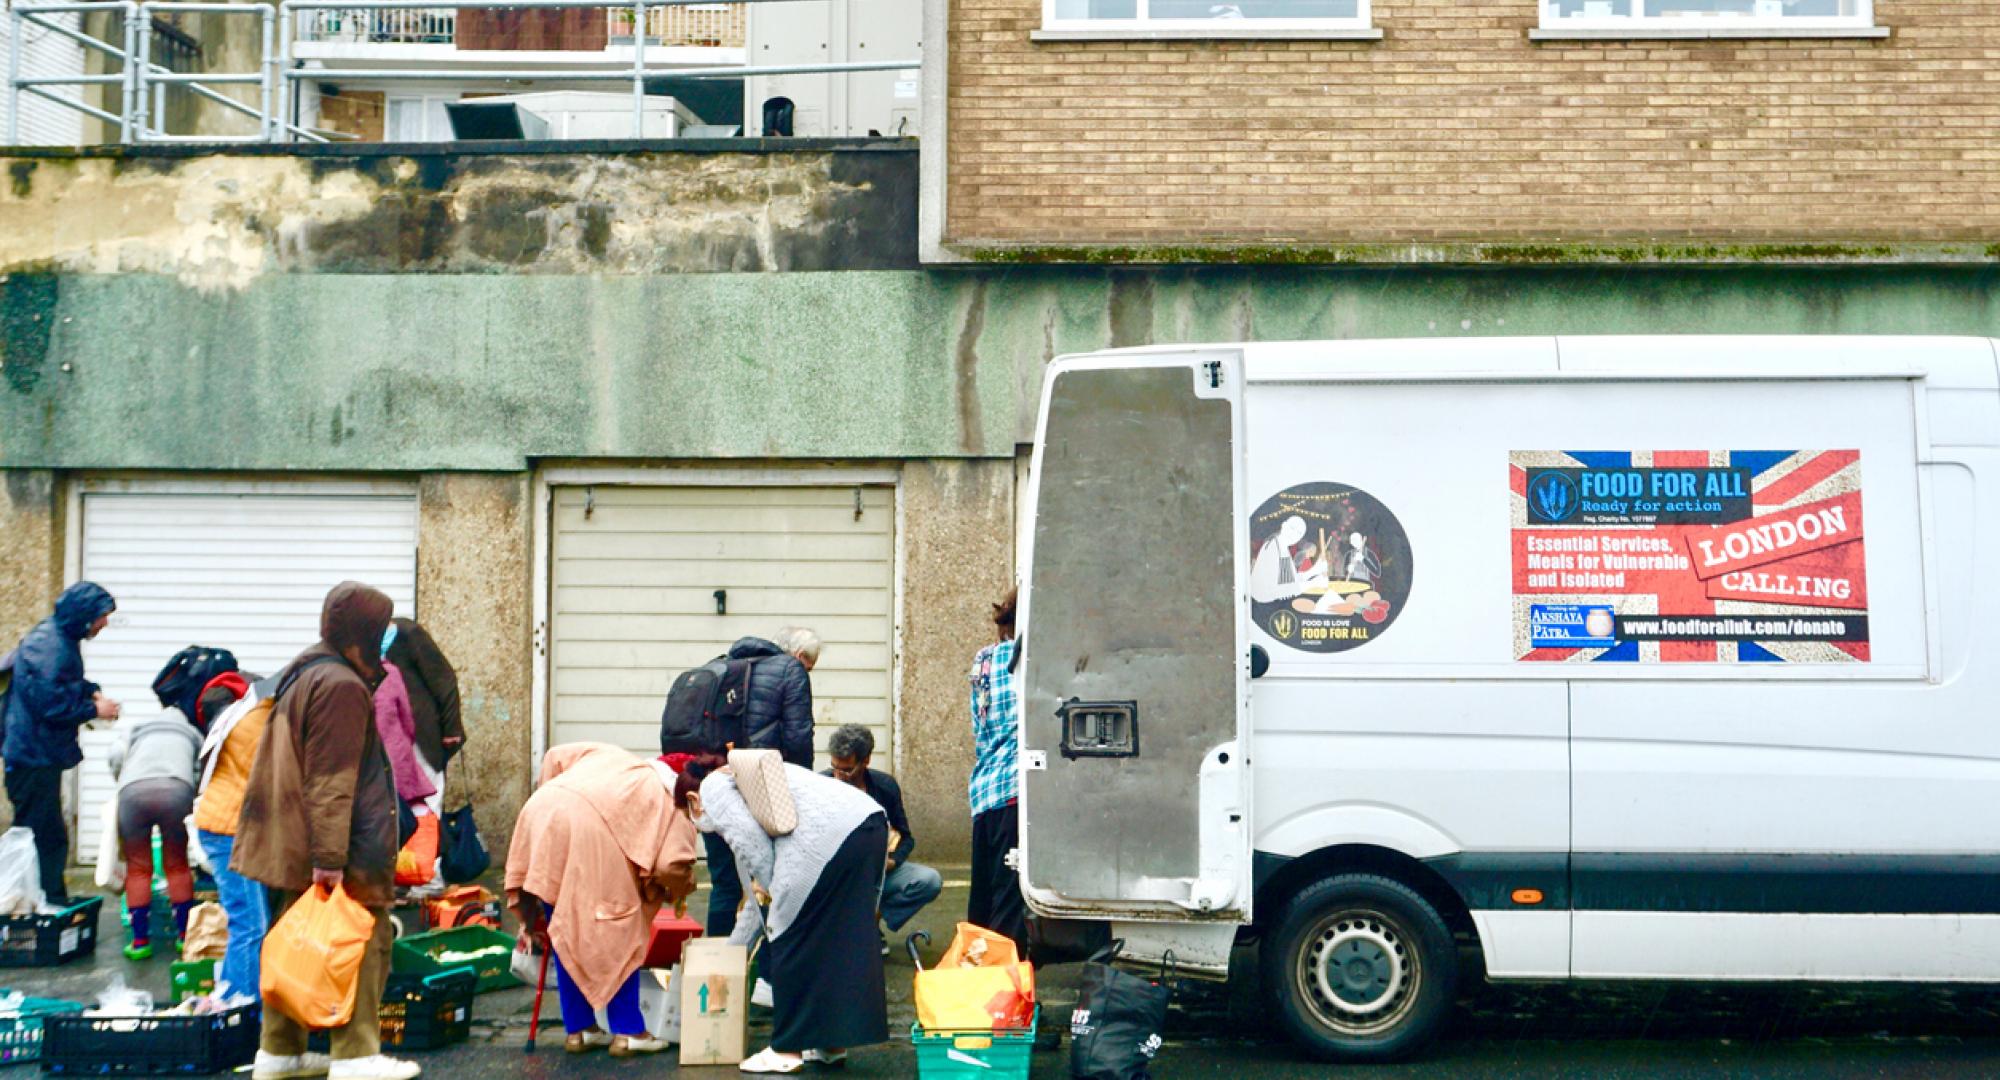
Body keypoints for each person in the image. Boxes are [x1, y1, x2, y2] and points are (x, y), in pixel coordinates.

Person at [233, 582, 418, 1080]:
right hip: (338, 849)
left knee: (296, 945)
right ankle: (356, 1057)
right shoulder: (341, 686)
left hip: (288, 841)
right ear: (366, 632)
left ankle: (281, 1054)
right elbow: (332, 782)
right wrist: (331, 859)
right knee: (357, 942)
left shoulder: (306, 671)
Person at [683, 750, 888, 1075]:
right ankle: (830, 1043)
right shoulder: (743, 780)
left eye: (689, 819)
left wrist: (777, 909)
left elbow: (758, 858)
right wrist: (731, 955)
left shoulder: (713, 789)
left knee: (789, 935)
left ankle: (785, 1049)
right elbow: (756, 898)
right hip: (869, 825)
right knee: (833, 937)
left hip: (826, 838)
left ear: (693, 800)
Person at [505, 744, 699, 1057]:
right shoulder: (674, 801)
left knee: (566, 927)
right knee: (618, 931)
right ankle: (629, 1031)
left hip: (540, 815)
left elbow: (554, 755)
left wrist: (556, 797)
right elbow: (670, 865)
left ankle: (580, 1029)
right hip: (587, 836)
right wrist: (680, 890)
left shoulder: (612, 755)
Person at [1, 581, 118, 905]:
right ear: (83, 616)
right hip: (32, 757)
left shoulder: (58, 639)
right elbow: (49, 704)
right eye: (101, 616)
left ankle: (41, 903)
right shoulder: (51, 645)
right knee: (43, 838)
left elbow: (60, 684)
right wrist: (94, 708)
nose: (104, 623)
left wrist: (88, 689)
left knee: (40, 836)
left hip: (35, 756)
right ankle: (45, 906)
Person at [702, 627, 819, 940]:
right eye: (810, 666)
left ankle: (717, 966)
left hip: (715, 785)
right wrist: (800, 793)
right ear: (799, 656)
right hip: (763, 789)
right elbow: (798, 737)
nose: (809, 672)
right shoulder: (790, 671)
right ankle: (768, 962)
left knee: (724, 883)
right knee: (773, 877)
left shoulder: (721, 666)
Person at [109, 650, 221, 960]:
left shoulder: (140, 728)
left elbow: (116, 756)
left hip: (133, 794)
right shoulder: (191, 732)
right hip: (176, 791)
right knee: (176, 864)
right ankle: (185, 937)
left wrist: (124, 779)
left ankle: (140, 942)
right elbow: (201, 772)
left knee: (139, 868)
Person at [824, 725, 941, 951]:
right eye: (835, 768)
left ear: (866, 761)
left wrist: (893, 861)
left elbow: (906, 838)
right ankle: (843, 930)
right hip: (837, 876)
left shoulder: (885, 787)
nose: (839, 776)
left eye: (847, 770)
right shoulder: (822, 785)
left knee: (929, 880)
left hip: (877, 871)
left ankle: (870, 925)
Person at [192, 669, 265, 1000]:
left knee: (247, 923)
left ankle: (234, 997)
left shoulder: (238, 720)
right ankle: (243, 1005)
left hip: (225, 826)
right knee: (250, 925)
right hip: (228, 830)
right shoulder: (256, 722)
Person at [967, 587, 1026, 952]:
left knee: (984, 898)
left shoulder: (983, 660)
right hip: (1016, 787)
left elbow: (980, 726)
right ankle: (1005, 987)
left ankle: (975, 973)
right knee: (1010, 900)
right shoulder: (1030, 659)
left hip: (985, 788)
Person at [380, 620, 460, 819]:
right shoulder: (360, 645)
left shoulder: (407, 634)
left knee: (427, 804)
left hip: (420, 736)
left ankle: (429, 848)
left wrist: (451, 729)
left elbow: (444, 679)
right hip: (386, 739)